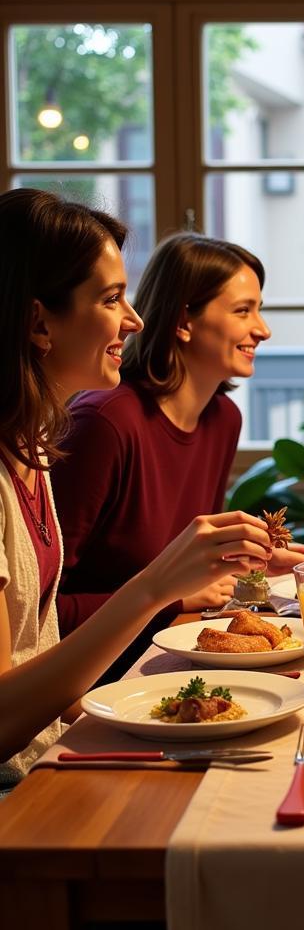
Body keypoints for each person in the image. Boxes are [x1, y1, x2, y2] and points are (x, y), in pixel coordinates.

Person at [0, 190, 272, 781]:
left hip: (50, 752)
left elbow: (42, 658)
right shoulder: (96, 426)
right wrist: (157, 589)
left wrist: (137, 725)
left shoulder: (34, 455)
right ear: (39, 321)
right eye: (111, 298)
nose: (134, 319)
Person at [51, 232, 304, 686]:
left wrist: (249, 560)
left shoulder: (222, 419)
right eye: (243, 310)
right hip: (95, 682)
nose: (263, 329)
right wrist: (171, 598)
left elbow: (187, 560)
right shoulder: (105, 423)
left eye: (259, 308)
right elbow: (43, 613)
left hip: (170, 654)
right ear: (183, 321)